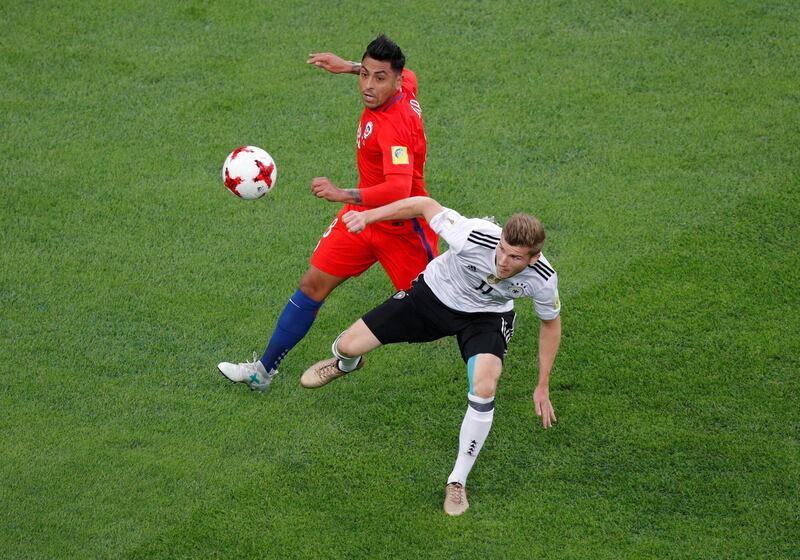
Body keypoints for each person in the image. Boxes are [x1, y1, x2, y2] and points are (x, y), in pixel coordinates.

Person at [300, 196, 562, 516]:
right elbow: (424, 204)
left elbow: (550, 324)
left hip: (485, 318)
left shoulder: (543, 278)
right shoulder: (472, 235)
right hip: (432, 297)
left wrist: (542, 384)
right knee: (347, 344)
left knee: (484, 387)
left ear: (533, 259)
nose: (503, 261)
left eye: (515, 257)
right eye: (503, 249)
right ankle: (344, 364)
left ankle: (457, 481)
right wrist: (368, 216)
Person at [218, 35, 437, 390]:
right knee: (312, 284)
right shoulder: (404, 82)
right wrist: (347, 66)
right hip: (360, 220)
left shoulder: (394, 126)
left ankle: (488, 286)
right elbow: (401, 72)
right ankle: (263, 371)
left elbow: (399, 189)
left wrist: (340, 193)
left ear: (394, 82)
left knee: (435, 312)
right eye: (364, 74)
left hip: (402, 227)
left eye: (378, 78)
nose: (367, 84)